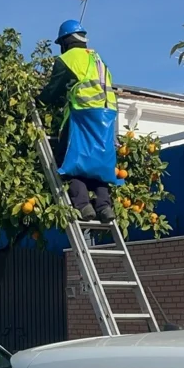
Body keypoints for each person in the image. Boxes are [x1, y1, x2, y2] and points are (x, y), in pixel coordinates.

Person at [37, 19, 119, 223]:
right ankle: (104, 206)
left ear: (65, 42)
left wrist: (38, 100)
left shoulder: (68, 59)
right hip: (107, 117)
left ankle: (83, 205)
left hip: (83, 115)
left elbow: (53, 90)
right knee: (98, 164)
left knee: (69, 161)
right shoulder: (98, 59)